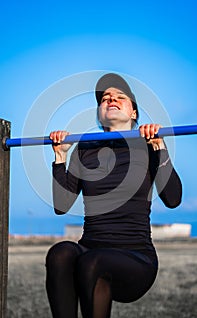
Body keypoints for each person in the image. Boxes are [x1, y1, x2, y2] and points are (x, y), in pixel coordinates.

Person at [45, 73, 182, 318]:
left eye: (120, 97)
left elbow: (173, 199)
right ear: (99, 113)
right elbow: (61, 206)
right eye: (105, 98)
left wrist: (159, 147)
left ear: (134, 113)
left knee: (92, 262)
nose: (111, 99)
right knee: (60, 253)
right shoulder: (85, 148)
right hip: (90, 249)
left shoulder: (147, 144)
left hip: (135, 257)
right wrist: (60, 157)